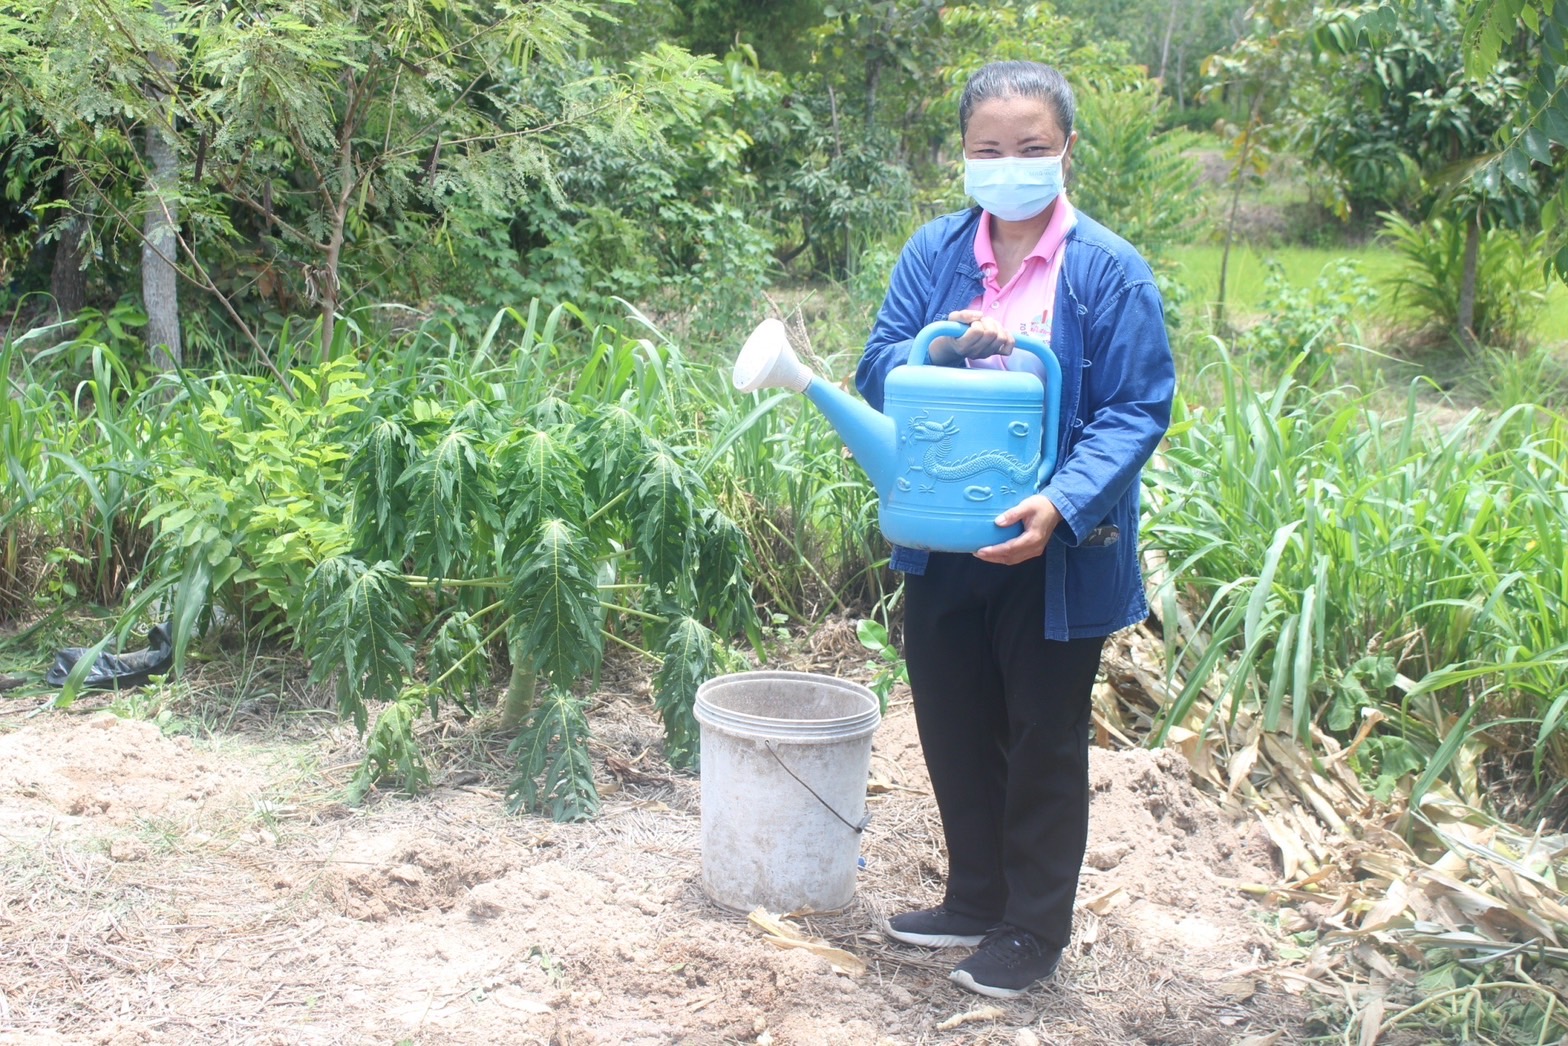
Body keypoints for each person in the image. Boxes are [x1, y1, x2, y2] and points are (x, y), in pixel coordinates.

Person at [855, 61, 1176, 999]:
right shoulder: (935, 254)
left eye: (1031, 148)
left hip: (1055, 550)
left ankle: (1033, 930)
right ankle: (974, 897)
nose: (1010, 165)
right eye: (989, 150)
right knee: (953, 721)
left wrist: (1063, 503)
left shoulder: (1108, 272)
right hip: (943, 538)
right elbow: (880, 363)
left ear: (1067, 149)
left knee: (1041, 737)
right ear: (963, 155)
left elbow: (1134, 408)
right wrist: (940, 349)